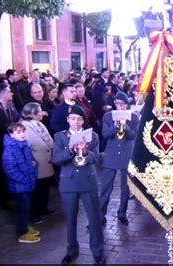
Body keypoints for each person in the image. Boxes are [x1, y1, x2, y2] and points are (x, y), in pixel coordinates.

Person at [52, 105, 104, 265]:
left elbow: (96, 158)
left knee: (94, 219)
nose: (76, 122)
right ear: (68, 120)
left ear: (83, 121)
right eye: (73, 118)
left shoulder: (92, 136)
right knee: (71, 219)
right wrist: (71, 149)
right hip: (69, 182)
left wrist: (86, 152)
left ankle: (97, 251)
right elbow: (56, 159)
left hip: (88, 181)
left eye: (80, 119)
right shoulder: (60, 137)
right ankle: (71, 250)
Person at [100, 92, 139, 226]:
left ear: (127, 105)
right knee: (106, 186)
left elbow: (133, 136)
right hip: (110, 154)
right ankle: (101, 214)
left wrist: (126, 126)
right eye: (118, 104)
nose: (120, 107)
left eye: (122, 104)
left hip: (126, 154)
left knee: (125, 187)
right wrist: (115, 125)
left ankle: (122, 213)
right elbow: (105, 134)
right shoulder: (108, 116)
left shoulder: (133, 117)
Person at [2, 123, 40, 243]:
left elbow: (32, 161)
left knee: (27, 207)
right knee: (22, 209)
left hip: (28, 183)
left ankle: (25, 226)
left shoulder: (24, 145)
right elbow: (10, 170)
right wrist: (25, 179)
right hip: (20, 186)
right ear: (11, 135)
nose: (22, 134)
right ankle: (22, 233)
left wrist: (34, 167)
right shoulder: (10, 149)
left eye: (23, 131)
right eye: (18, 132)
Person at [20, 103, 55, 223]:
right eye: (40, 111)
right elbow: (32, 143)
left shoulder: (40, 123)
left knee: (45, 187)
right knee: (36, 190)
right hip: (36, 162)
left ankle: (43, 208)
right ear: (32, 113)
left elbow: (49, 140)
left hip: (46, 160)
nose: (42, 113)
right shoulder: (24, 126)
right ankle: (33, 213)